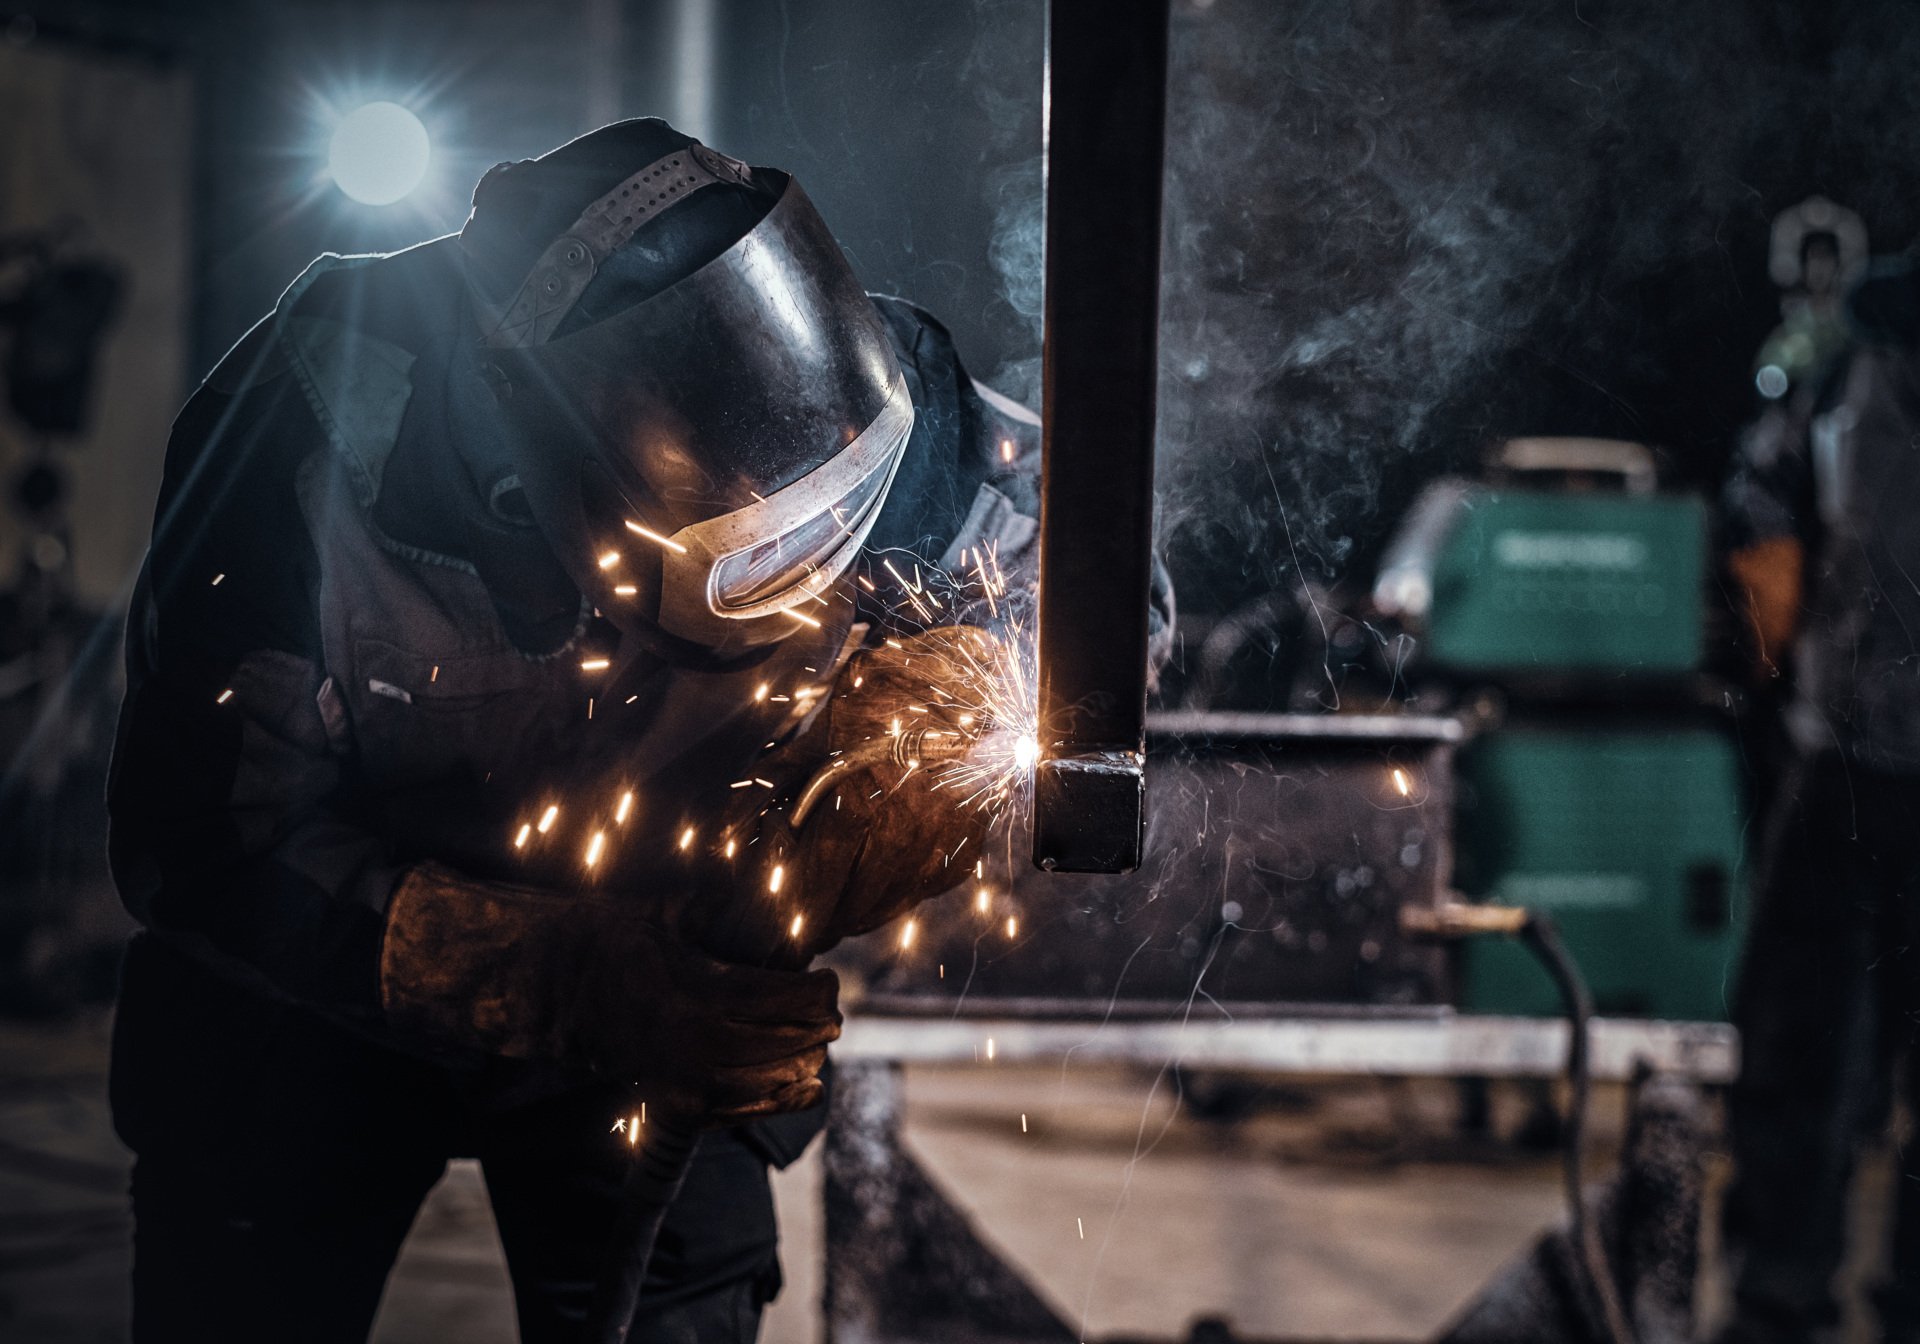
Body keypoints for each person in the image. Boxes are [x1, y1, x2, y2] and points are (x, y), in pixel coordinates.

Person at [105, 118, 1089, 1343]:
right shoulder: (300, 434)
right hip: (305, 997)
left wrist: (959, 703)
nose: (802, 579)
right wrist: (559, 974)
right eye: (748, 555)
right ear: (546, 480)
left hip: (668, 982)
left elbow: (1095, 597)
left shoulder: (865, 397)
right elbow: (196, 837)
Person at [1718, 245, 1920, 1344]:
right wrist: (1782, 657)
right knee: (1800, 1057)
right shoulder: (1849, 380)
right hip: (1842, 774)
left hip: (1854, 764)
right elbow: (1763, 507)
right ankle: (1775, 1302)